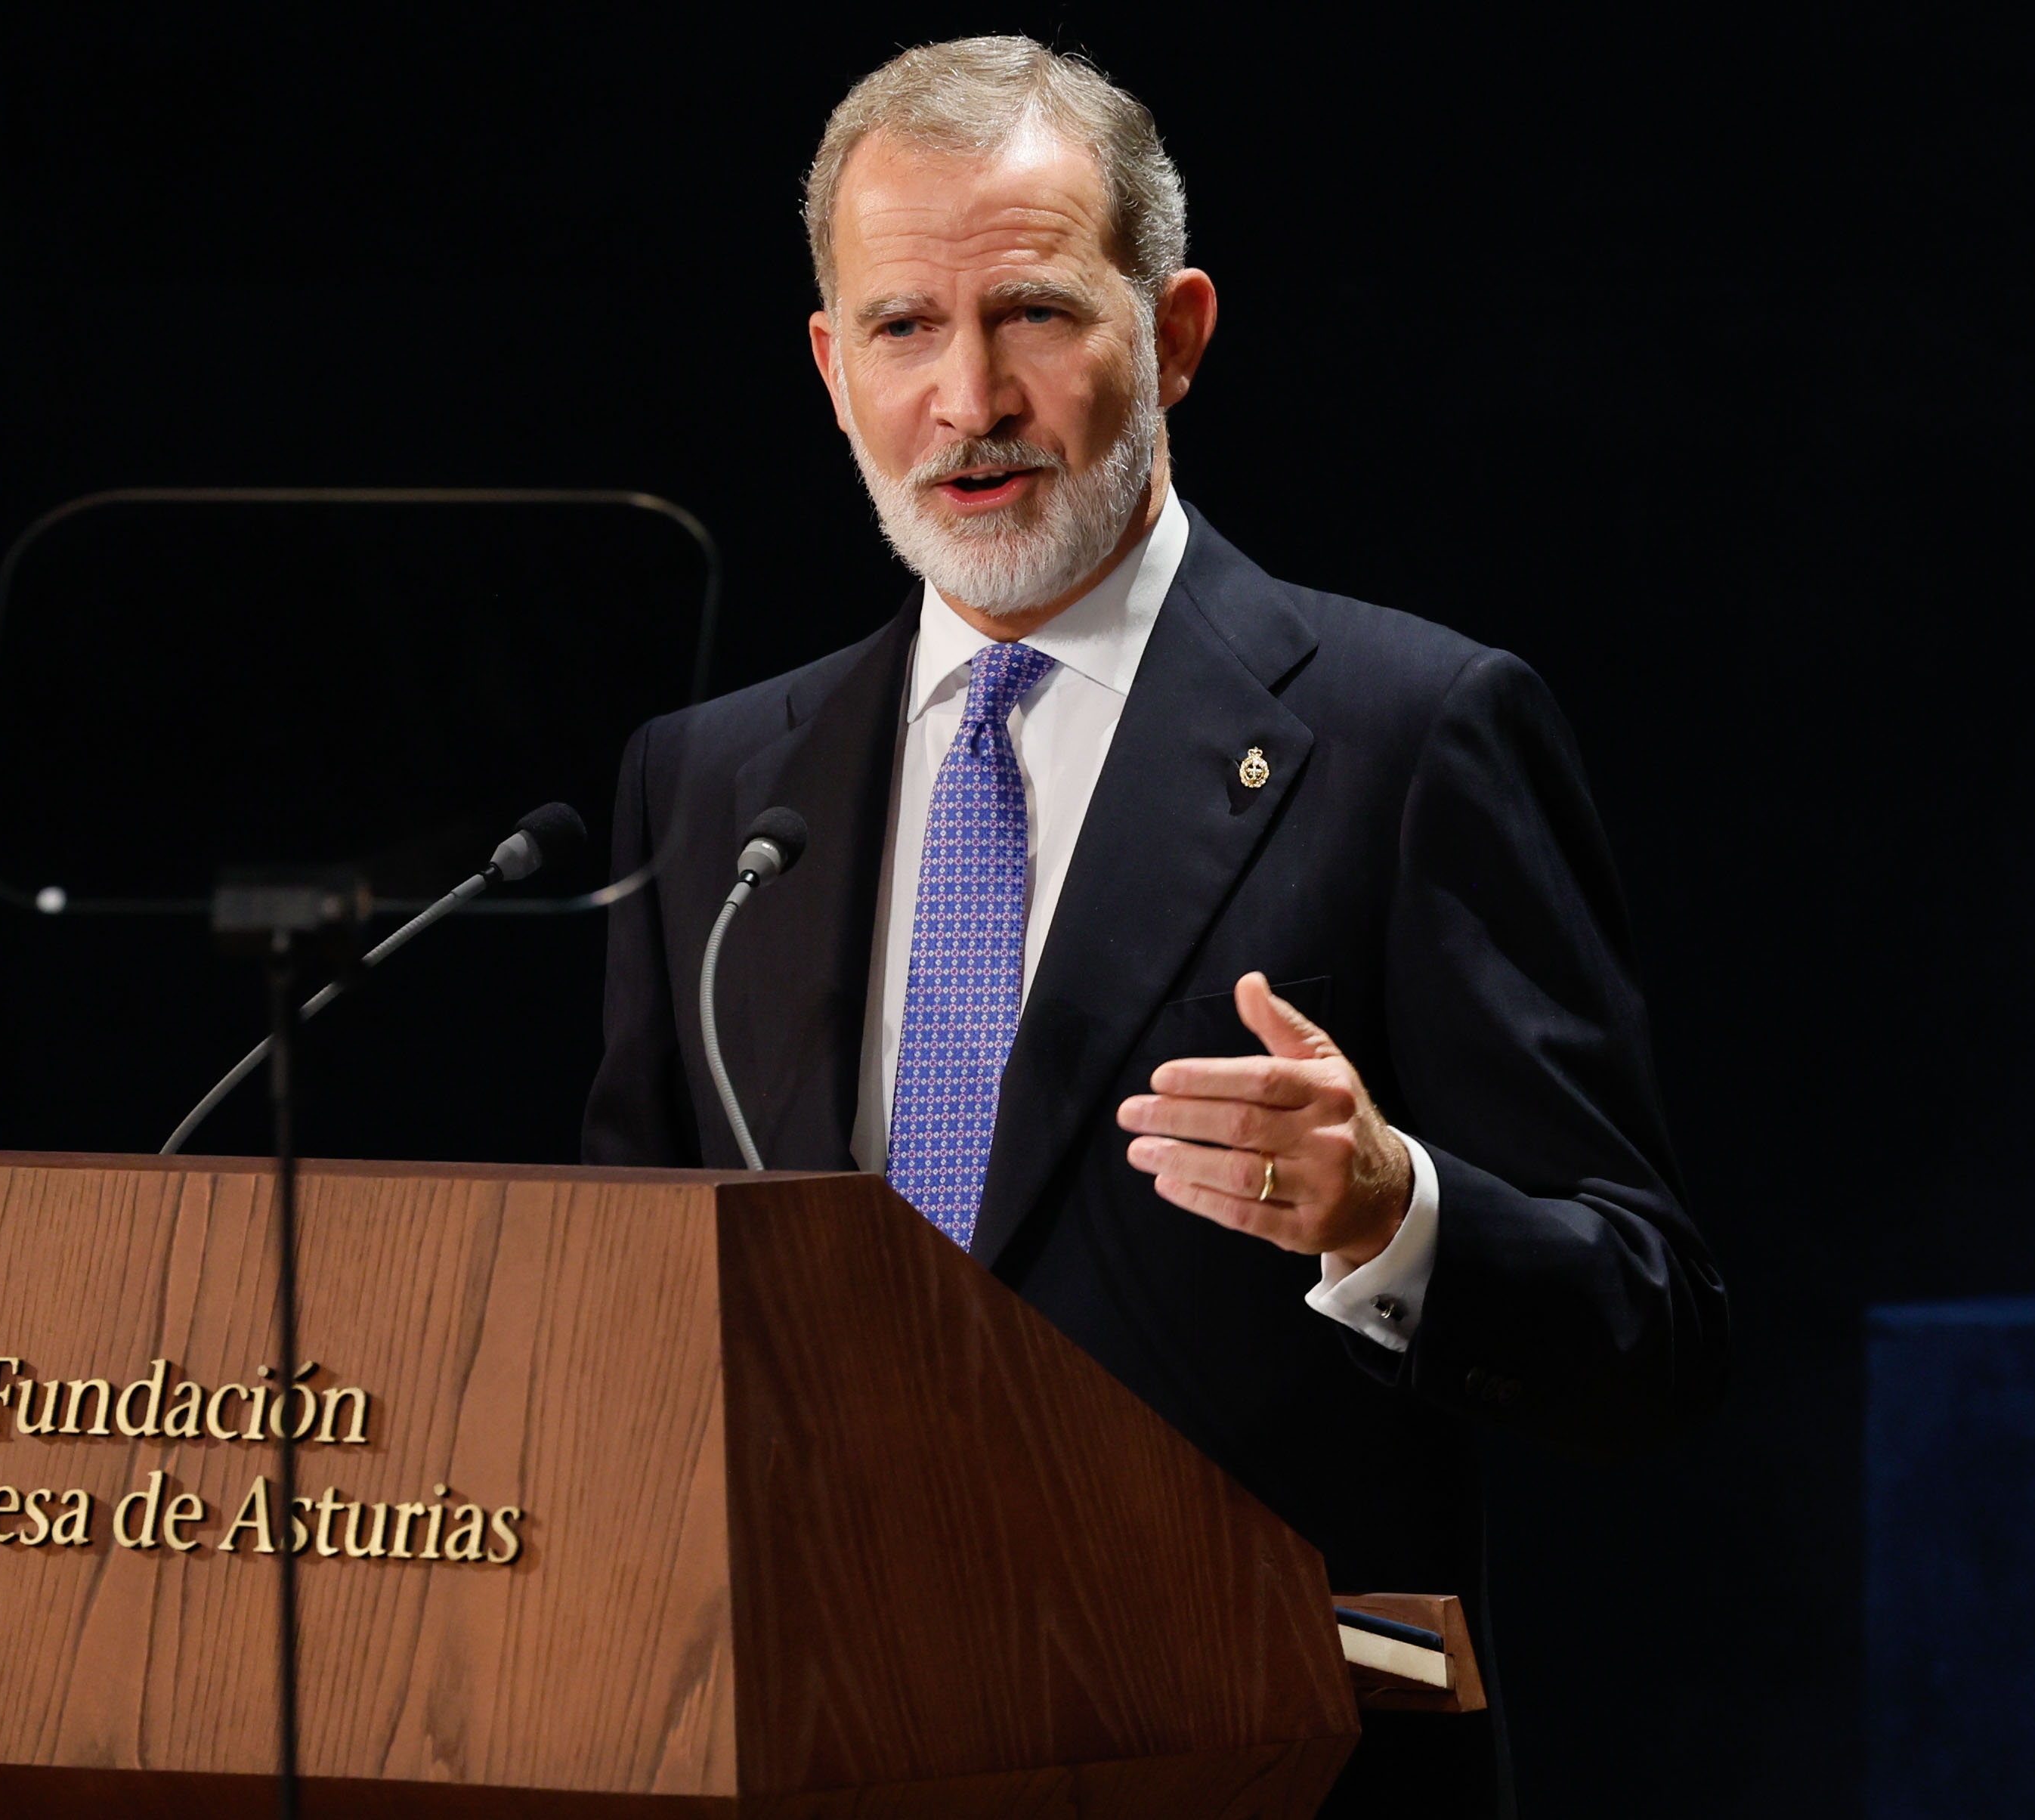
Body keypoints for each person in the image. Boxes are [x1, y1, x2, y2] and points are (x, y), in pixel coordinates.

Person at [583, 36, 1727, 1814]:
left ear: (1175, 331)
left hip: (1263, 1757)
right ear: (828, 367)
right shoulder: (714, 786)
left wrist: (1390, 1210)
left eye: (1033, 313)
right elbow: (628, 1325)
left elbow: (1648, 1328)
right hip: (815, 1749)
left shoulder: (1411, 731)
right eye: (900, 328)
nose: (968, 398)